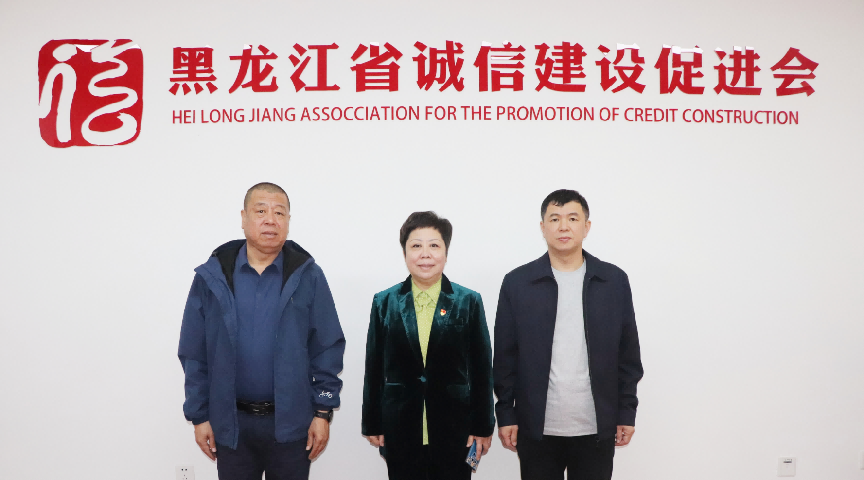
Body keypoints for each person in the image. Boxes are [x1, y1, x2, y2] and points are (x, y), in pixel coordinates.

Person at [178, 182, 345, 480]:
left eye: (279, 212)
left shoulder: (308, 276)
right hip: (231, 425)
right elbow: (194, 351)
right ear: (243, 218)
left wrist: (323, 412)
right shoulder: (212, 276)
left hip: (292, 424)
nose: (271, 219)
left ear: (288, 221)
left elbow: (327, 346)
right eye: (261, 211)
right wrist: (199, 415)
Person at [493, 189, 643, 480]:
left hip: (597, 427)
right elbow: (504, 357)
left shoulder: (613, 281)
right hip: (536, 428)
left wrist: (626, 411)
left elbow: (628, 354)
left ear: (586, 227)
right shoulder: (518, 283)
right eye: (555, 219)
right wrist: (507, 413)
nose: (563, 226)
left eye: (573, 218)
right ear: (542, 227)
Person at [361, 211, 495, 480]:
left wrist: (483, 426)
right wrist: (373, 422)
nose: (425, 254)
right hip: (400, 426)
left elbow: (482, 369)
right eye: (416, 246)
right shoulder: (384, 302)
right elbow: (374, 366)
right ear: (405, 252)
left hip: (456, 428)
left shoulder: (468, 301)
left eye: (434, 245)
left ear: (446, 252)